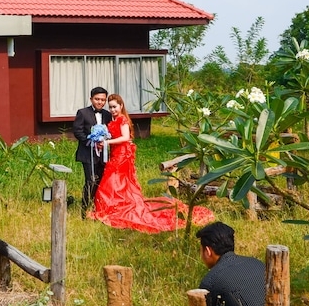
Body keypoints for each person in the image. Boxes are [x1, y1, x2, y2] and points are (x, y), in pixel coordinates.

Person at [89, 94, 215, 233]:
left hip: (122, 154)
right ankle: (119, 204)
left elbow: (125, 137)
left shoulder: (123, 119)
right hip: (115, 153)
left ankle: (118, 205)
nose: (112, 110)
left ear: (121, 106)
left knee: (116, 180)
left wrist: (107, 142)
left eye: (115, 107)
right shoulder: (114, 120)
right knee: (116, 181)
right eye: (110, 107)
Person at [73, 86, 112, 218]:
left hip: (103, 155)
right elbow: (78, 131)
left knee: (101, 181)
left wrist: (104, 142)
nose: (100, 102)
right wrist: (92, 142)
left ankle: (97, 209)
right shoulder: (82, 113)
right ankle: (84, 210)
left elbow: (110, 132)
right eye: (97, 99)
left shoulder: (108, 115)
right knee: (91, 181)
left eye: (102, 100)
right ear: (91, 99)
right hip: (87, 154)